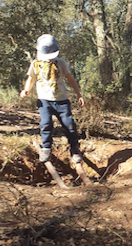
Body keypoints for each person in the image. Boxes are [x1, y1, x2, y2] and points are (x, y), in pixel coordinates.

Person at [20, 34, 85, 164]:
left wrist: (79, 94)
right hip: (44, 101)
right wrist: (26, 89)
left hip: (61, 100)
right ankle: (46, 147)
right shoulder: (35, 64)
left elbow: (70, 78)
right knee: (46, 124)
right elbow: (31, 78)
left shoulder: (61, 63)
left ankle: (74, 149)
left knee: (70, 125)